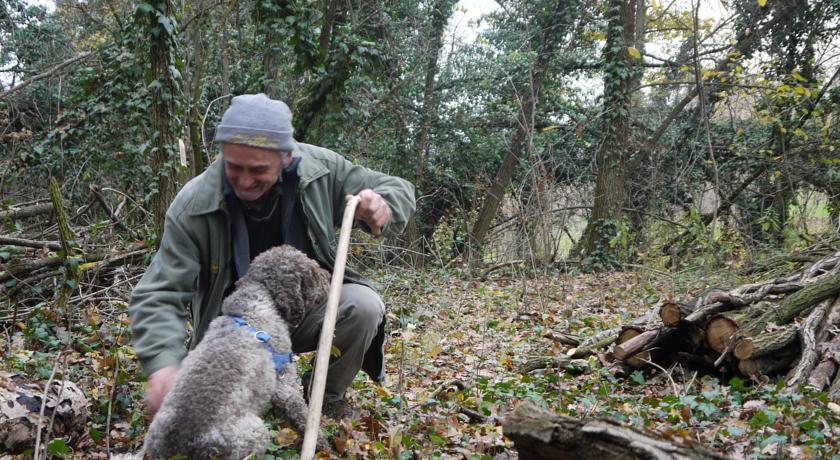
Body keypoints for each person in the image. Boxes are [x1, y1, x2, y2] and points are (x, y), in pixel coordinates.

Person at [128, 93, 416, 418]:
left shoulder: (321, 171)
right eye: (234, 167)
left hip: (305, 316)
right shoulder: (193, 206)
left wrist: (382, 205)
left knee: (363, 306)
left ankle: (326, 398)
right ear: (222, 153)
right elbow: (159, 294)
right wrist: (164, 364)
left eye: (258, 170)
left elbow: (397, 187)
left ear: (287, 157)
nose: (245, 181)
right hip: (231, 334)